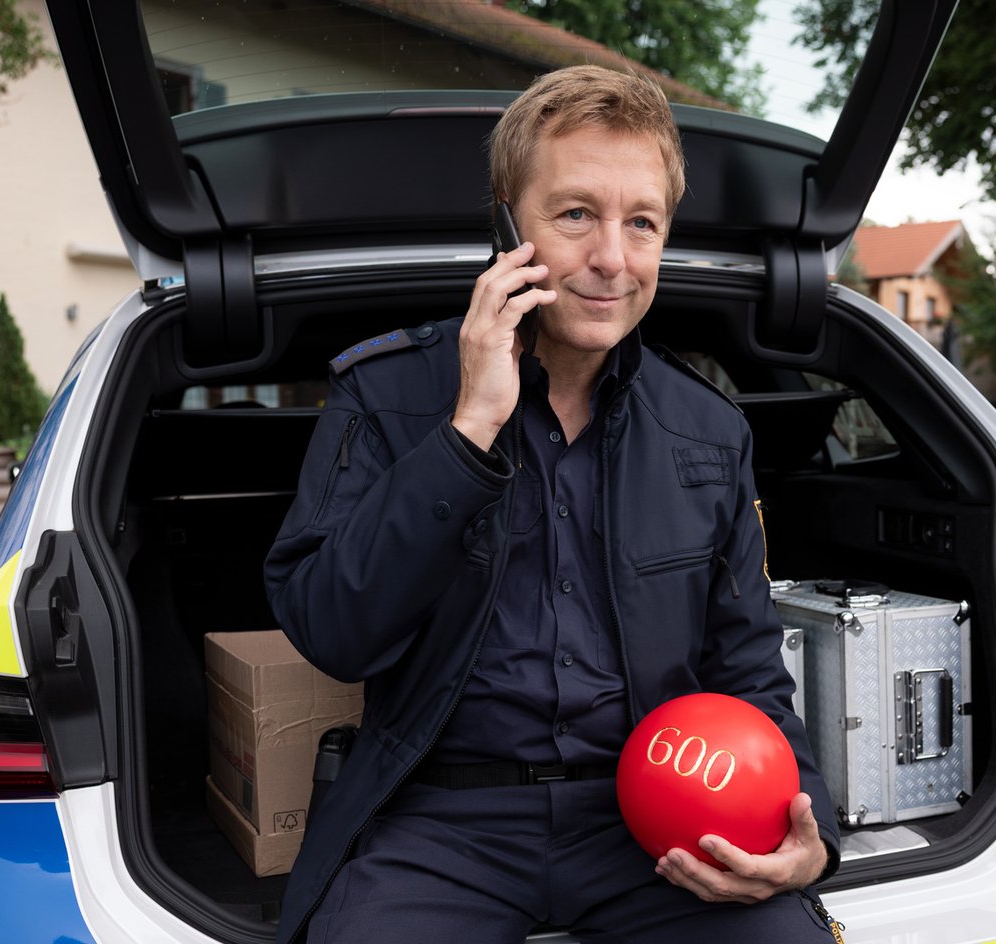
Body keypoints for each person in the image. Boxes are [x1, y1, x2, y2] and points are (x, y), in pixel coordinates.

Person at [264, 65, 841, 944]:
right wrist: (469, 430)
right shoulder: (381, 396)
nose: (611, 257)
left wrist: (813, 842)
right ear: (504, 220)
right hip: (439, 823)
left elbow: (749, 672)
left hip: (653, 822)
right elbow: (331, 631)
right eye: (576, 215)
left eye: (641, 223)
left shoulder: (710, 431)